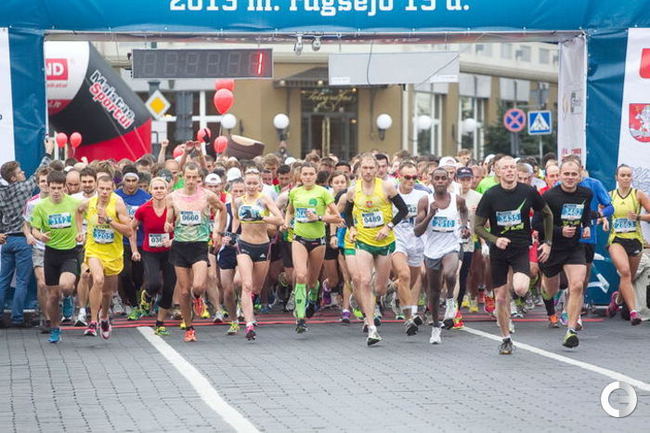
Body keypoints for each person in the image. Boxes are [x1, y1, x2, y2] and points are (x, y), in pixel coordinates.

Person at [474, 156, 553, 355]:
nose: (509, 171)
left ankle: (520, 299)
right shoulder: (491, 195)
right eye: (505, 168)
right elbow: (477, 226)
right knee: (501, 298)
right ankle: (506, 338)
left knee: (519, 288)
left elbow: (547, 214)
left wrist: (548, 242)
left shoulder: (528, 191)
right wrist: (495, 239)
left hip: (520, 248)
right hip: (499, 252)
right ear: (497, 171)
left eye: (512, 167)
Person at [343, 153, 408, 346]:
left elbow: (403, 210)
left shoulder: (387, 187)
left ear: (377, 170)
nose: (368, 171)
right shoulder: (352, 191)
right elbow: (347, 214)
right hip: (363, 240)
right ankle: (371, 327)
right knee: (364, 280)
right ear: (359, 170)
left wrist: (388, 227)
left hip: (384, 241)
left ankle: (389, 289)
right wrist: (352, 228)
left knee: (379, 288)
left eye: (372, 168)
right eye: (365, 168)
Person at [165, 162, 226, 342]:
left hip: (199, 245)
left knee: (198, 286)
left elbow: (222, 209)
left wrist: (218, 232)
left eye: (194, 178)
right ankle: (189, 328)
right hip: (180, 246)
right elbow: (169, 219)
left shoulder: (207, 195)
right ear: (183, 177)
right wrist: (168, 225)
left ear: (199, 178)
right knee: (184, 291)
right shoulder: (172, 197)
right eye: (188, 177)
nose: (191, 181)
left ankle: (198, 297)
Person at [533, 160, 592, 348]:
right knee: (550, 290)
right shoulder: (549, 196)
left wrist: (587, 226)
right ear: (559, 175)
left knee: (577, 285)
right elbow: (536, 224)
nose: (570, 178)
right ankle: (546, 292)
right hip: (552, 247)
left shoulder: (586, 194)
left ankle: (571, 330)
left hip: (574, 247)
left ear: (580, 175)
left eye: (574, 174)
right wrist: (560, 231)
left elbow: (585, 215)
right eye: (566, 174)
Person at [0, 138, 53, 327]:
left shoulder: (1, 193)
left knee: (3, 281)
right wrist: (48, 152)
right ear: (14, 178)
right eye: (20, 172)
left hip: (6, 240)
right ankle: (17, 318)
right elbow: (39, 173)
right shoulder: (23, 189)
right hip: (23, 240)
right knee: (22, 281)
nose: (23, 173)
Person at [414, 167, 470, 344]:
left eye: (443, 178)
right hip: (432, 250)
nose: (439, 181)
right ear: (431, 181)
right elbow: (417, 231)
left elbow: (464, 211)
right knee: (434, 291)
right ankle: (436, 327)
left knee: (450, 274)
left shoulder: (457, 200)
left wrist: (464, 226)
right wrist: (430, 214)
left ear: (448, 181)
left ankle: (451, 300)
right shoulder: (425, 201)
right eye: (436, 178)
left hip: (451, 245)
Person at [284, 163, 341, 333]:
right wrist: (286, 222)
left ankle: (314, 294)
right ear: (300, 176)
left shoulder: (323, 192)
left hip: (318, 240)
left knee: (312, 281)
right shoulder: (295, 192)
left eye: (311, 174)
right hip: (299, 239)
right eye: (305, 174)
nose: (308, 177)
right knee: (301, 275)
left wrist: (319, 217)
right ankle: (300, 317)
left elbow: (337, 217)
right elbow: (290, 211)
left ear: (316, 176)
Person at [77, 175, 133, 339]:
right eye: (101, 188)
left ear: (112, 189)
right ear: (97, 187)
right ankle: (93, 321)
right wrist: (79, 232)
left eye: (108, 189)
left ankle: (104, 317)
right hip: (94, 250)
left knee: (108, 292)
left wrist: (109, 220)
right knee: (98, 280)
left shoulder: (118, 204)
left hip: (113, 253)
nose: (104, 192)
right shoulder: (90, 203)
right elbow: (78, 211)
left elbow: (129, 231)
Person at [30, 171, 82, 343]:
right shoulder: (41, 206)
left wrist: (81, 233)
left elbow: (85, 217)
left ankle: (67, 297)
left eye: (59, 188)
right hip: (51, 253)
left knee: (66, 286)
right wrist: (40, 236)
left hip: (70, 252)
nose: (56, 191)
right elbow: (34, 229)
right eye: (53, 188)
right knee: (52, 296)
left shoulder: (74, 203)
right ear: (48, 187)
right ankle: (55, 328)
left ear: (65, 187)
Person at [232, 169, 284, 340]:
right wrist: (232, 235)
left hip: (262, 245)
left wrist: (262, 217)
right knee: (246, 285)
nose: (252, 186)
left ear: (260, 184)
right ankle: (249, 324)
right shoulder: (238, 201)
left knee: (256, 288)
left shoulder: (264, 199)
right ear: (244, 184)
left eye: (255, 183)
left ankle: (248, 305)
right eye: (249, 183)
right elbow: (236, 219)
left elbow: (280, 219)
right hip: (244, 244)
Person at [606, 164, 650, 325]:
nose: (625, 178)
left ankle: (617, 300)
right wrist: (604, 220)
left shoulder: (638, 194)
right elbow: (600, 210)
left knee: (628, 276)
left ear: (632, 178)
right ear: (616, 177)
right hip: (616, 239)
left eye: (628, 175)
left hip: (635, 240)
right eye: (622, 175)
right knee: (625, 272)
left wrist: (638, 217)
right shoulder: (610, 195)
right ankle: (633, 312)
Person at [132, 177, 176, 336]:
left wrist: (172, 238)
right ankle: (147, 294)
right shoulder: (143, 209)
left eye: (162, 188)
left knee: (169, 287)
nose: (159, 191)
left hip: (169, 252)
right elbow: (132, 228)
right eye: (156, 188)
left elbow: (183, 230)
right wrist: (134, 250)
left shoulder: (173, 208)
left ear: (167, 190)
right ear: (150, 190)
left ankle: (160, 323)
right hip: (150, 252)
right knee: (154, 283)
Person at [390, 161, 428, 335]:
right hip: (397, 239)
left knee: (411, 279)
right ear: (399, 176)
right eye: (407, 177)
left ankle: (393, 289)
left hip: (417, 241)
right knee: (404, 274)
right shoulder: (391, 193)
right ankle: (409, 318)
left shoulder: (423, 195)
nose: (411, 181)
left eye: (414, 177)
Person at [115, 166, 151, 318]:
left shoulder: (146, 197)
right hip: (121, 241)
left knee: (139, 276)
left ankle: (141, 300)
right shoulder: (115, 196)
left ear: (138, 181)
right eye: (128, 180)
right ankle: (132, 303)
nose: (130, 184)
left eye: (133, 181)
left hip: (141, 241)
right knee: (124, 274)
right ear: (123, 181)